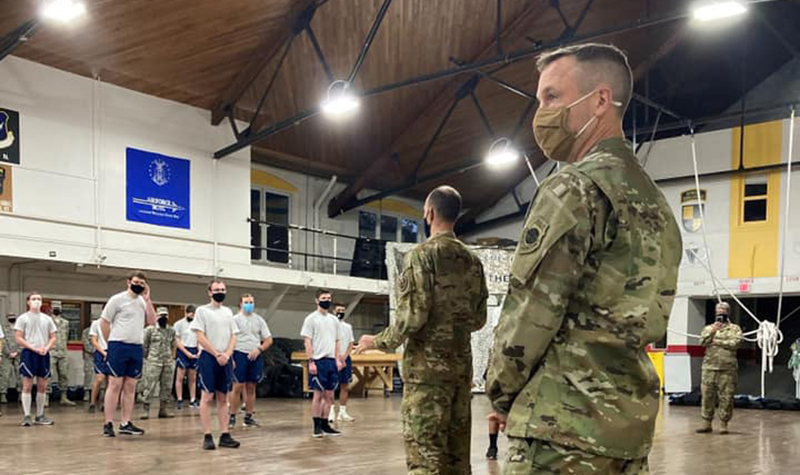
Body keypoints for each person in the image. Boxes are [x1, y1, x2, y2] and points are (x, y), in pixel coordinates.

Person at [486, 43, 682, 474]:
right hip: (626, 432)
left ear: (599, 101)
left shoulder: (573, 188)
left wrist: (500, 393)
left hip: (558, 432)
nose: (541, 113)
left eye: (552, 97)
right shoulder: (656, 205)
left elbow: (531, 313)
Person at [356, 186, 489, 474]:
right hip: (460, 373)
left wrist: (377, 340)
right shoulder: (473, 261)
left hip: (427, 376)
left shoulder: (421, 256)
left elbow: (411, 318)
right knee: (457, 459)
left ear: (429, 213)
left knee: (425, 457)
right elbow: (480, 319)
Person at [100, 270, 157, 437]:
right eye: (136, 282)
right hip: (118, 346)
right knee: (115, 385)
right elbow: (105, 322)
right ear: (128, 282)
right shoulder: (117, 299)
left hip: (136, 347)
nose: (138, 285)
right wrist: (110, 344)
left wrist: (148, 300)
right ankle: (108, 423)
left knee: (131, 386)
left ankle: (126, 422)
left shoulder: (142, 302)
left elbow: (153, 322)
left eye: (142, 284)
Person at [191, 279, 241, 450]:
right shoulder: (202, 311)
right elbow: (200, 336)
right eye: (217, 289)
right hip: (209, 358)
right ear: (210, 292)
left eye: (223, 289)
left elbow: (234, 336)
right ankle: (207, 435)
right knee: (207, 397)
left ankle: (225, 434)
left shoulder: (228, 312)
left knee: (223, 398)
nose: (220, 291)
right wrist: (216, 353)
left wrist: (227, 354)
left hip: (225, 359)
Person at [301, 289, 344, 438]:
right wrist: (311, 361)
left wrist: (338, 359)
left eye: (328, 298)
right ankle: (316, 425)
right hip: (318, 361)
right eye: (323, 298)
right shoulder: (311, 319)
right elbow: (308, 341)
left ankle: (326, 424)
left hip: (331, 361)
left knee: (330, 395)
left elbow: (337, 340)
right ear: (317, 300)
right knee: (318, 395)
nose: (326, 300)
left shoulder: (333, 320)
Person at [697, 302, 742, 435]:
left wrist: (718, 342)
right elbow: (702, 342)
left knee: (727, 397)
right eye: (718, 310)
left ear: (728, 312)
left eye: (723, 309)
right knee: (707, 396)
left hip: (727, 368)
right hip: (709, 367)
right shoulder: (708, 328)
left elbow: (736, 343)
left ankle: (724, 423)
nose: (720, 312)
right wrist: (712, 331)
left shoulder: (734, 328)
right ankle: (706, 423)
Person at [229, 294, 273, 429]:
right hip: (239, 354)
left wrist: (259, 350)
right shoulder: (234, 320)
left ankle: (248, 416)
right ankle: (231, 416)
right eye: (247, 302)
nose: (250, 304)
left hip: (255, 355)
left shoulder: (259, 320)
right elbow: (228, 339)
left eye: (252, 302)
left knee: (251, 387)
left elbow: (269, 339)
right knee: (237, 386)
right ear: (241, 304)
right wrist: (230, 357)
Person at [15, 292, 58, 426]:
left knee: (42, 386)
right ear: (28, 302)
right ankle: (27, 416)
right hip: (29, 354)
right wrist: (33, 348)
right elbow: (18, 338)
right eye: (34, 299)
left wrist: (47, 347)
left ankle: (40, 415)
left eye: (39, 299)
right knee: (27, 385)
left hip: (43, 354)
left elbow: (53, 336)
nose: (37, 301)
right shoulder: (23, 318)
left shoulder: (47, 319)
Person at [140, 307, 177, 420]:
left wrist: (171, 358)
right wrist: (149, 358)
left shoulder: (171, 330)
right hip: (153, 362)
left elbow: (173, 345)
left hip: (167, 363)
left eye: (165, 315)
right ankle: (146, 410)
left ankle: (163, 410)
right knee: (149, 387)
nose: (163, 317)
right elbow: (144, 346)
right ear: (156, 316)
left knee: (166, 387)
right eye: (161, 315)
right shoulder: (150, 330)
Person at [329, 302, 355, 424]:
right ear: (334, 311)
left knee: (345, 385)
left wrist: (345, 356)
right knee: (331, 386)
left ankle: (342, 412)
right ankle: (330, 411)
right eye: (339, 310)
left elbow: (351, 343)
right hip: (332, 358)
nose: (341, 312)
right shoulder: (329, 326)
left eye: (343, 310)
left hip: (345, 358)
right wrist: (336, 356)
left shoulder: (347, 327)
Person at [48, 306, 76, 406]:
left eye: (58, 308)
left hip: (63, 351)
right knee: (48, 375)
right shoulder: (47, 321)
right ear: (51, 310)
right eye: (54, 308)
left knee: (64, 374)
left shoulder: (65, 322)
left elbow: (66, 336)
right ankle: (46, 398)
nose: (56, 310)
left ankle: (63, 397)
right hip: (51, 351)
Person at [174, 304, 200, 410]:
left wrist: (199, 350)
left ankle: (193, 399)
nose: (192, 316)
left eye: (194, 314)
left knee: (192, 377)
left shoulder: (198, 325)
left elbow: (199, 338)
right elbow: (177, 341)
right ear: (186, 313)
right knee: (180, 376)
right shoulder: (178, 324)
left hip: (194, 349)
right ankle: (179, 399)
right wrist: (185, 352)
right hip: (183, 350)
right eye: (190, 314)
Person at [88, 312, 109, 413]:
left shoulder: (116, 323)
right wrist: (103, 352)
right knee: (99, 378)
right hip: (101, 352)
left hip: (113, 352)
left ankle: (106, 404)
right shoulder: (96, 323)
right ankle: (92, 402)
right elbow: (94, 340)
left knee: (111, 380)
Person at [1, 313, 21, 405]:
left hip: (18, 355)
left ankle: (21, 394)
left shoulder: (20, 329)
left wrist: (17, 352)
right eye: (10, 317)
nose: (11, 318)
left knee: (20, 375)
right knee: (5, 374)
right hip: (7, 355)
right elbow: (3, 341)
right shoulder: (3, 328)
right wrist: (8, 352)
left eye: (13, 317)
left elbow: (23, 341)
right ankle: (3, 395)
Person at [81, 325, 95, 402]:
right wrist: (94, 351)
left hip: (101, 354)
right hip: (89, 355)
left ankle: (102, 392)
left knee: (102, 374)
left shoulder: (103, 329)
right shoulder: (86, 331)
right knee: (88, 373)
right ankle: (87, 392)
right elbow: (86, 344)